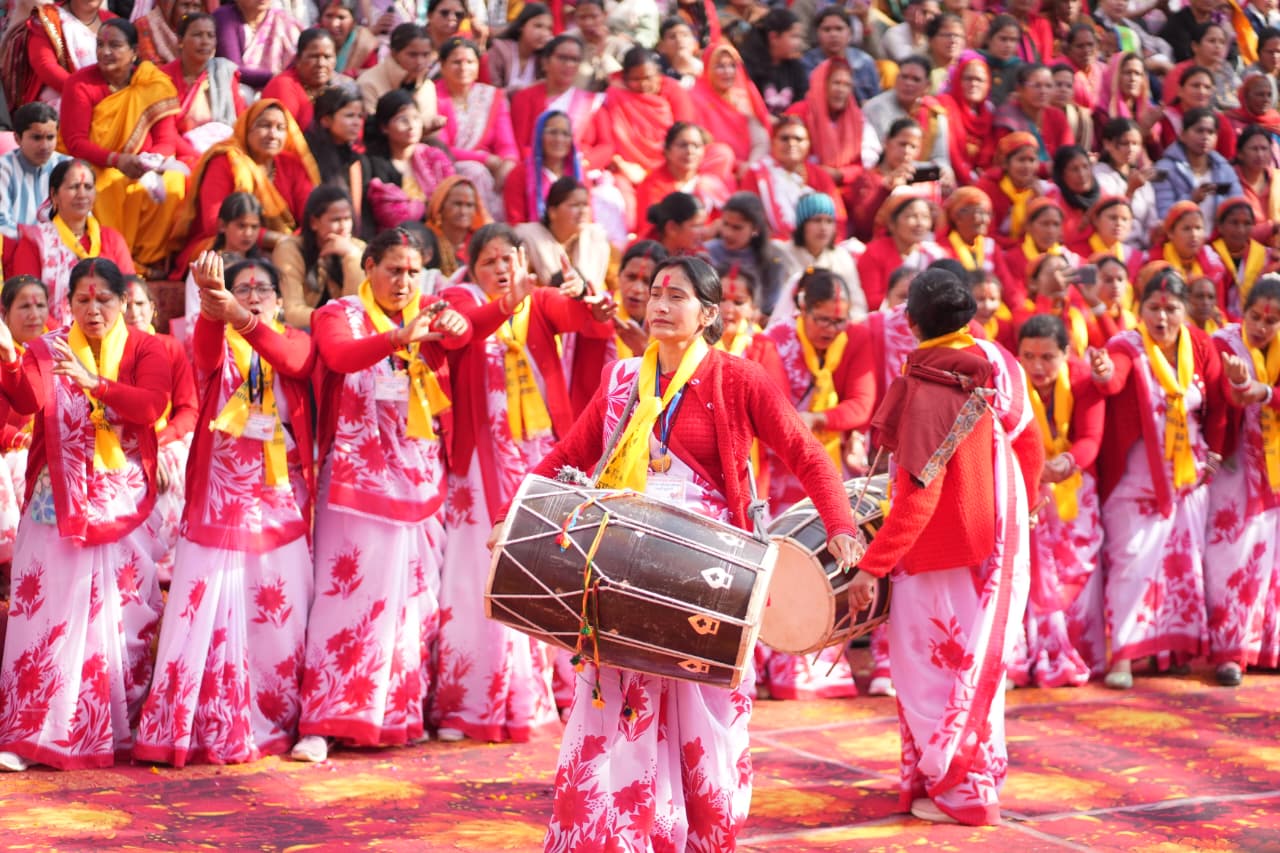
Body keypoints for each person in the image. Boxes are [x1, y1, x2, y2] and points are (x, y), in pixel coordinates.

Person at [518, 254, 859, 850]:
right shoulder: (623, 378)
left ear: (707, 314)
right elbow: (569, 455)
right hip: (625, 567)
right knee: (616, 703)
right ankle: (615, 835)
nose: (659, 306)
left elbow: (805, 453)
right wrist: (515, 515)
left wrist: (840, 524)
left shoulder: (738, 378)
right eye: (653, 294)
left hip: (709, 576)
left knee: (708, 714)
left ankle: (697, 833)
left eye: (675, 296)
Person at [847, 264, 1042, 825]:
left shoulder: (928, 385)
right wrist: (1023, 509)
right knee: (978, 661)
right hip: (998, 524)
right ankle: (971, 777)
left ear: (910, 323)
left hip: (945, 543)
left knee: (930, 662)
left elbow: (918, 499)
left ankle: (962, 789)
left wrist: (871, 566)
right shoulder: (999, 361)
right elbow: (1029, 438)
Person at [291, 228, 471, 763]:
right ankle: (323, 722)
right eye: (394, 269)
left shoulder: (430, 313)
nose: (404, 281)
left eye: (414, 271)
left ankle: (394, 716)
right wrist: (398, 337)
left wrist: (457, 324)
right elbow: (340, 357)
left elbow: (464, 331)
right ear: (367, 266)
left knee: (410, 607)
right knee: (345, 600)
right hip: (354, 483)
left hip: (418, 480)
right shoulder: (340, 312)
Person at [132, 253, 315, 767]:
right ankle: (208, 721)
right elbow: (207, 353)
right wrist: (216, 308)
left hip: (280, 496)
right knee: (210, 615)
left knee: (277, 613)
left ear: (280, 300)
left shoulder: (295, 339)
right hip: (219, 496)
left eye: (263, 289)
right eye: (243, 287)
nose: (253, 294)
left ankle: (277, 718)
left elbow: (294, 362)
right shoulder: (212, 337)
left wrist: (240, 315)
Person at [436, 223, 613, 742]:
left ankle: (560, 692)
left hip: (538, 453)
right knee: (480, 571)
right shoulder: (456, 298)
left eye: (507, 258)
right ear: (472, 266)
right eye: (488, 260)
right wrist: (506, 303)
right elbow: (460, 332)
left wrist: (594, 303)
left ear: (521, 258)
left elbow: (580, 317)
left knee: (550, 567)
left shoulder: (538, 300)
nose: (499, 268)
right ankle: (477, 703)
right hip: (480, 461)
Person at [0, 257, 170, 772]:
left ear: (121, 303)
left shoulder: (145, 347)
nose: (93, 311)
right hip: (57, 501)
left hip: (121, 503)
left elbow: (151, 406)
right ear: (67, 304)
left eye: (104, 301)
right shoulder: (47, 348)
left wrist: (97, 383)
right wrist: (9, 357)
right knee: (46, 613)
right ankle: (32, 732)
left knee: (115, 619)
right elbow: (28, 399)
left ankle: (111, 730)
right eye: (82, 301)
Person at [1089, 263, 1227, 689]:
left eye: (1171, 309)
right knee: (1133, 565)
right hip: (1137, 482)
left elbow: (1219, 404)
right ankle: (1125, 658)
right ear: (1139, 308)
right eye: (1153, 308)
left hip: (1188, 480)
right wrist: (1101, 373)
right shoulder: (1126, 347)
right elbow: (1113, 381)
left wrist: (1216, 453)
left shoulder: (1201, 345)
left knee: (1181, 566)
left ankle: (1175, 652)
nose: (1162, 318)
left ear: (1186, 311)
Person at [60, 19, 189, 275]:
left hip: (141, 164)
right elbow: (76, 142)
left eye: (115, 45)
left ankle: (148, 261)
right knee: (105, 183)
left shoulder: (152, 83)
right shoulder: (80, 84)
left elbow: (166, 139)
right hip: (96, 163)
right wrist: (118, 161)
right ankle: (112, 260)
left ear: (134, 52)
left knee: (173, 181)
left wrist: (150, 164)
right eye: (100, 45)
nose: (105, 52)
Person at [1207, 276, 1280, 687]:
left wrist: (1265, 392)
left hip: (1277, 472)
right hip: (1236, 470)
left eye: (1271, 321)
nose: (1261, 327)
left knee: (1275, 562)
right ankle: (1229, 651)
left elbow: (1262, 394)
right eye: (1255, 316)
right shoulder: (1225, 343)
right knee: (1232, 557)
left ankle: (1268, 648)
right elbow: (1224, 399)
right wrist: (1239, 386)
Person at [171, 99, 320, 275]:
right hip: (226, 243)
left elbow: (313, 216)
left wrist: (292, 241)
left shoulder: (291, 165)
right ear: (246, 128)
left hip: (286, 244)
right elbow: (214, 224)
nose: (273, 134)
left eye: (280, 128)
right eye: (264, 125)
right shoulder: (225, 161)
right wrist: (274, 239)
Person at [121, 277, 198, 584]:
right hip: (120, 441)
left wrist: (158, 444)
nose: (133, 311)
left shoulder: (170, 347)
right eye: (125, 304)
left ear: (153, 310)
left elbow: (189, 409)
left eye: (140, 303)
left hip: (165, 438)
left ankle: (169, 562)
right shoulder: (106, 351)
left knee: (177, 462)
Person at [12, 159, 136, 330]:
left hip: (109, 335)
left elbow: (129, 292)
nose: (82, 194)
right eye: (74, 187)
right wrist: (69, 338)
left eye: (88, 187)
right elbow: (25, 299)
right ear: (54, 195)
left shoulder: (112, 239)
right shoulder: (35, 241)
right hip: (53, 339)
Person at [435, 37, 518, 221]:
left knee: (516, 174)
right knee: (475, 171)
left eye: (470, 62)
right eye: (456, 62)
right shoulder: (433, 96)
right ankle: (483, 228)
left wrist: (507, 164)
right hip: (448, 164)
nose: (463, 68)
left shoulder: (491, 96)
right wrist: (484, 159)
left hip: (490, 169)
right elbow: (441, 147)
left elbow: (507, 144)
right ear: (442, 65)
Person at [740, 116, 846, 241]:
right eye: (784, 138)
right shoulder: (758, 175)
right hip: (773, 246)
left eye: (798, 139)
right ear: (773, 142)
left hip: (819, 246)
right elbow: (750, 218)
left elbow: (838, 218)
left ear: (808, 144)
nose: (791, 143)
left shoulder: (820, 176)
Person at [364, 89, 456, 232]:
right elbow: (393, 216)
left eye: (416, 118)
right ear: (384, 128)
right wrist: (431, 207)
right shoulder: (374, 165)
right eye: (403, 120)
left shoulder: (434, 156)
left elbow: (453, 197)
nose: (411, 126)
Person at [275, 186, 365, 330]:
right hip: (306, 331)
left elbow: (357, 310)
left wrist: (351, 257)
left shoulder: (357, 249)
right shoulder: (290, 249)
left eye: (347, 219)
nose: (344, 227)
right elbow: (292, 313)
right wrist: (334, 318)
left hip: (347, 330)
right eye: (336, 220)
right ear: (313, 222)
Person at [785, 57, 864, 213]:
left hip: (843, 191)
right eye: (836, 83)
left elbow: (861, 166)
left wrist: (840, 174)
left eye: (846, 85)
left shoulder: (856, 118)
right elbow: (786, 156)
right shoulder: (798, 113)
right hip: (801, 187)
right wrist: (819, 174)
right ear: (822, 84)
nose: (841, 90)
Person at [160, 13, 246, 155]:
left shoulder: (223, 74)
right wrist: (199, 159)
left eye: (210, 35)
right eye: (197, 35)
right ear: (180, 40)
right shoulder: (162, 78)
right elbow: (166, 132)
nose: (205, 41)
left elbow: (242, 121)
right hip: (178, 155)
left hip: (223, 152)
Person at [0, 277, 49, 512]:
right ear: (4, 313)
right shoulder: (5, 355)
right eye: (25, 307)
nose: (34, 315)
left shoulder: (60, 350)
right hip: (12, 452)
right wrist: (23, 440)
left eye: (40, 306)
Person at [508, 35, 601, 158]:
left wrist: (584, 164)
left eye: (575, 59)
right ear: (545, 62)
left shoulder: (589, 101)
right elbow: (520, 144)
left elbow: (605, 144)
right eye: (562, 58)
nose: (569, 64)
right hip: (536, 168)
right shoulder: (524, 98)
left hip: (583, 169)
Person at [778, 192, 867, 321]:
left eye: (829, 221)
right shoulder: (782, 254)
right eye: (816, 220)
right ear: (802, 225)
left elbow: (857, 306)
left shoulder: (842, 257)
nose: (823, 227)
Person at [703, 192, 791, 318]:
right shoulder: (707, 253)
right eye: (725, 224)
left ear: (755, 229)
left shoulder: (773, 260)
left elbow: (771, 309)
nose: (728, 233)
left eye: (737, 228)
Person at [860, 55, 951, 177]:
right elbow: (875, 156)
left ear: (927, 86)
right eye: (904, 77)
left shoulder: (934, 114)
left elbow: (941, 158)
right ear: (896, 79)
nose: (908, 83)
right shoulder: (875, 108)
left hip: (923, 178)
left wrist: (944, 172)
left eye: (916, 79)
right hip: (882, 177)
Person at [847, 118, 934, 243]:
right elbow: (862, 225)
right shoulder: (866, 178)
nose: (906, 151)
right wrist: (885, 189)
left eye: (913, 147)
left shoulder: (925, 183)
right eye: (902, 144)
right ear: (886, 141)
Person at [633, 123, 733, 233]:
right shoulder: (653, 186)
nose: (690, 151)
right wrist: (703, 234)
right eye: (682, 145)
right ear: (667, 150)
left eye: (696, 146)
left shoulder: (710, 184)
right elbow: (651, 230)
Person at [1154, 107, 1243, 226]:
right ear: (1182, 134)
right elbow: (1163, 215)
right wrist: (1191, 199)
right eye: (1199, 131)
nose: (1205, 137)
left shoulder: (1224, 169)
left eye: (1211, 132)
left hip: (1219, 242)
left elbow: (1239, 208)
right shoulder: (1163, 169)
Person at [182, 192, 265, 320]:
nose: (248, 233)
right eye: (241, 225)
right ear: (222, 225)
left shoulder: (263, 267)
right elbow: (193, 315)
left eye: (254, 227)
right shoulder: (205, 267)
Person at [857, 194, 947, 311]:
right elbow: (870, 300)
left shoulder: (934, 254)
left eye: (925, 217)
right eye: (912, 216)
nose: (920, 223)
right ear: (892, 223)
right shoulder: (874, 253)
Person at [692, 41, 773, 167]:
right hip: (716, 166)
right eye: (720, 66)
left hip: (749, 168)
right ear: (708, 68)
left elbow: (761, 140)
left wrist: (750, 167)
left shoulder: (743, 97)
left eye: (732, 65)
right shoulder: (695, 98)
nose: (727, 71)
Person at [24, 0, 115, 109]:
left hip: (111, 101)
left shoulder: (113, 22)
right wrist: (86, 92)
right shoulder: (49, 18)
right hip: (63, 102)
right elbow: (44, 65)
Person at [304, 83, 369, 234]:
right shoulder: (309, 155)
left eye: (360, 116)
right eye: (349, 115)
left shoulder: (356, 159)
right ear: (325, 120)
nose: (357, 122)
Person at [0, 103, 69, 241]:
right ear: (17, 139)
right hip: (16, 249)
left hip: (63, 248)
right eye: (36, 138)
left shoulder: (68, 167)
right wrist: (38, 242)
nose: (44, 146)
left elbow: (81, 219)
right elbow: (2, 223)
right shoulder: (4, 168)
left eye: (50, 137)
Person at [504, 111, 583, 226]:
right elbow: (516, 222)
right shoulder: (520, 174)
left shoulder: (579, 174)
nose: (559, 139)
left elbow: (588, 215)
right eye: (552, 132)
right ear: (539, 136)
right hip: (534, 238)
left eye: (565, 134)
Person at [1092, 117, 1159, 253]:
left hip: (1141, 249)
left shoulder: (1142, 179)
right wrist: (1130, 191)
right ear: (1107, 144)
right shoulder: (1099, 175)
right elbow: (1107, 216)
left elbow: (1151, 224)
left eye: (1135, 144)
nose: (1131, 149)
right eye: (1124, 143)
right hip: (1112, 248)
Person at [355, 23, 440, 126]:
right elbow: (372, 129)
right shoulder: (368, 83)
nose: (420, 61)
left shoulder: (427, 86)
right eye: (412, 55)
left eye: (425, 55)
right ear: (394, 53)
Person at [975, 131, 1046, 250]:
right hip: (993, 250)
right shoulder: (987, 187)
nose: (1027, 166)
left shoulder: (1041, 190)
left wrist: (1039, 203)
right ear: (1005, 163)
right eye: (1021, 160)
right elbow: (986, 235)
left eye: (1032, 160)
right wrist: (1017, 246)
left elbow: (1044, 236)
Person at [1210, 197, 1278, 321]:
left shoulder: (1264, 255)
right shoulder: (1209, 255)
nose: (1240, 230)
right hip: (1216, 321)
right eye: (1234, 223)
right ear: (1220, 226)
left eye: (1247, 223)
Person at [993, 63, 1074, 165]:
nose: (1043, 91)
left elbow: (1068, 155)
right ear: (1019, 89)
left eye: (1048, 86)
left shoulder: (1056, 116)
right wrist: (1046, 169)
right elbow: (1004, 163)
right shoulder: (1007, 117)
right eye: (1037, 86)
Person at [937, 49, 996, 186]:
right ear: (958, 79)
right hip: (949, 178)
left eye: (979, 80)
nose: (974, 84)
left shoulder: (989, 112)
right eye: (968, 78)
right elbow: (951, 149)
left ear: (987, 85)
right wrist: (969, 178)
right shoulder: (945, 104)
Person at [213, 0, 301, 92]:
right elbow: (233, 69)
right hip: (242, 87)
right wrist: (274, 77)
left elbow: (299, 61)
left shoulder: (282, 19)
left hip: (282, 84)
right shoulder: (224, 17)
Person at [800, 7, 880, 106]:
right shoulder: (806, 63)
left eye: (839, 29)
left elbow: (876, 101)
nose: (833, 34)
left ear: (850, 33)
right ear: (817, 34)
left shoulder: (865, 62)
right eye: (827, 30)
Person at [262, 28, 337, 131]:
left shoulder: (338, 87)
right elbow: (285, 135)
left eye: (327, 57)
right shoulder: (283, 85)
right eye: (313, 57)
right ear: (297, 59)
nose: (321, 64)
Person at [941, 187, 1015, 287]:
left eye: (988, 214)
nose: (985, 220)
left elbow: (1008, 286)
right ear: (957, 216)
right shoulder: (940, 249)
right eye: (980, 213)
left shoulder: (990, 246)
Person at [741, 7, 808, 114]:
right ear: (774, 37)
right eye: (794, 36)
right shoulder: (747, 67)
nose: (798, 44)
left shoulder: (796, 67)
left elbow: (801, 104)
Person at [1094, 51, 1161, 156]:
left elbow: (1157, 156)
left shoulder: (1147, 111)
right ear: (1114, 75)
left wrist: (1150, 134)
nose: (1133, 79)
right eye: (1127, 73)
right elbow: (1107, 154)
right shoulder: (1102, 113)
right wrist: (1142, 130)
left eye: (1137, 74)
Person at [426, 176, 490, 277]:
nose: (463, 212)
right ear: (440, 206)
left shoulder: (481, 243)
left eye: (469, 205)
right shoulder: (427, 239)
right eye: (457, 204)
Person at [487, 3, 554, 91]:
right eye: (538, 26)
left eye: (549, 29)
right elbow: (492, 92)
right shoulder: (499, 50)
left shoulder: (543, 59)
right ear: (522, 26)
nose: (544, 34)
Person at [571, 0, 630, 92]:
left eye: (594, 16)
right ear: (575, 18)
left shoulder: (619, 45)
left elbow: (624, 85)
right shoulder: (568, 41)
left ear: (605, 15)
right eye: (582, 17)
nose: (588, 23)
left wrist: (602, 54)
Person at [1050, 145, 1100, 246]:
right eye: (1074, 169)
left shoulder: (1102, 196)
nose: (1082, 174)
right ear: (1061, 174)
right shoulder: (1051, 200)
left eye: (1085, 167)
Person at [319, 0, 379, 76]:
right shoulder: (312, 39)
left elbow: (372, 74)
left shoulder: (365, 45)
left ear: (353, 22)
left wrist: (353, 74)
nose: (334, 24)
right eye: (329, 16)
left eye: (341, 17)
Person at [134, 0, 202, 64]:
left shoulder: (201, 32)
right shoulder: (145, 25)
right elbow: (150, 66)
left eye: (196, 6)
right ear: (170, 7)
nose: (190, 12)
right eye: (185, 5)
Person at [646, 191, 708, 256]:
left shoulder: (699, 254)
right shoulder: (643, 257)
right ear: (672, 228)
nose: (704, 232)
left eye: (703, 225)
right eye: (696, 226)